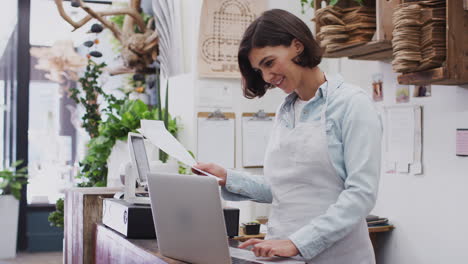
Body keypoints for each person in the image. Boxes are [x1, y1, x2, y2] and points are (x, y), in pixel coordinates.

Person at [194, 8, 382, 264]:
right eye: (259, 70)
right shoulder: (285, 110)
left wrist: (297, 243)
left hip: (338, 257)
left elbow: (361, 195)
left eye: (269, 63)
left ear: (297, 45)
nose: (267, 77)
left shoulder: (351, 104)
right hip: (282, 255)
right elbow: (284, 189)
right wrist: (228, 178)